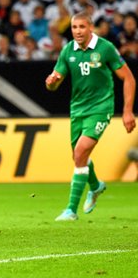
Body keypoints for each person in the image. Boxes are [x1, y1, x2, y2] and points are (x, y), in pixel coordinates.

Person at [45, 12, 136, 221]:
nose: (77, 31)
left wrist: (128, 111)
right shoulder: (68, 51)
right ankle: (95, 186)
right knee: (78, 156)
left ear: (90, 28)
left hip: (101, 107)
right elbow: (55, 81)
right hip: (77, 109)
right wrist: (51, 82)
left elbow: (128, 78)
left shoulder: (105, 48)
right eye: (74, 27)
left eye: (82, 27)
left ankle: (70, 210)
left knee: (81, 150)